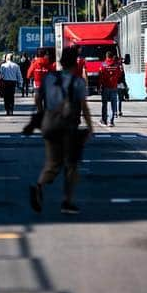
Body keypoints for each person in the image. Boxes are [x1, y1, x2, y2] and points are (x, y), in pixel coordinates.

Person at [29, 46, 95, 215]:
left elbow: (37, 98)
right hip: (68, 126)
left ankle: (39, 186)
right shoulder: (77, 82)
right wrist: (90, 127)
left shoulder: (49, 78)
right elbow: (83, 107)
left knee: (52, 163)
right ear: (74, 64)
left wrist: (41, 113)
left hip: (49, 124)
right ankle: (67, 201)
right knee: (71, 165)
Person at [98, 49, 125, 127]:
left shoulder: (103, 65)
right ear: (112, 57)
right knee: (113, 104)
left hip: (105, 87)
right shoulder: (116, 65)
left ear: (106, 57)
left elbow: (100, 77)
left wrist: (99, 86)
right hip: (114, 87)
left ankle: (104, 120)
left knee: (104, 104)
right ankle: (111, 121)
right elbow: (120, 75)